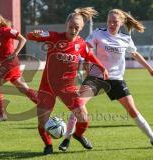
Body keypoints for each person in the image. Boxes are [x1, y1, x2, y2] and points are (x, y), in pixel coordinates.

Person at [59, 8, 153, 151]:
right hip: (95, 78)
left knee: (132, 110)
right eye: (109, 21)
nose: (111, 24)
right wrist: (79, 62)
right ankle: (66, 139)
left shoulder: (125, 38)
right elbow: (85, 48)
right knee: (78, 106)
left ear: (121, 22)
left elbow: (135, 54)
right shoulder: (98, 33)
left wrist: (150, 69)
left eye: (115, 21)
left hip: (116, 80)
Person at [27, 7, 108, 155]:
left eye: (77, 27)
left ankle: (78, 135)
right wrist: (34, 34)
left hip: (67, 87)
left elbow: (90, 56)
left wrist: (102, 67)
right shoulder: (53, 36)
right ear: (66, 25)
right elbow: (30, 36)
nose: (73, 29)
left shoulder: (82, 44)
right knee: (42, 122)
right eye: (71, 26)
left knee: (83, 117)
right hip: (48, 86)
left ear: (81, 28)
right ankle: (48, 145)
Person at [0, 12, 38, 126]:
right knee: (23, 89)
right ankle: (44, 105)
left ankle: (1, 114)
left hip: (10, 63)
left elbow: (23, 39)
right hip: (8, 64)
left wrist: (15, 53)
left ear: (0, 20)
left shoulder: (6, 30)